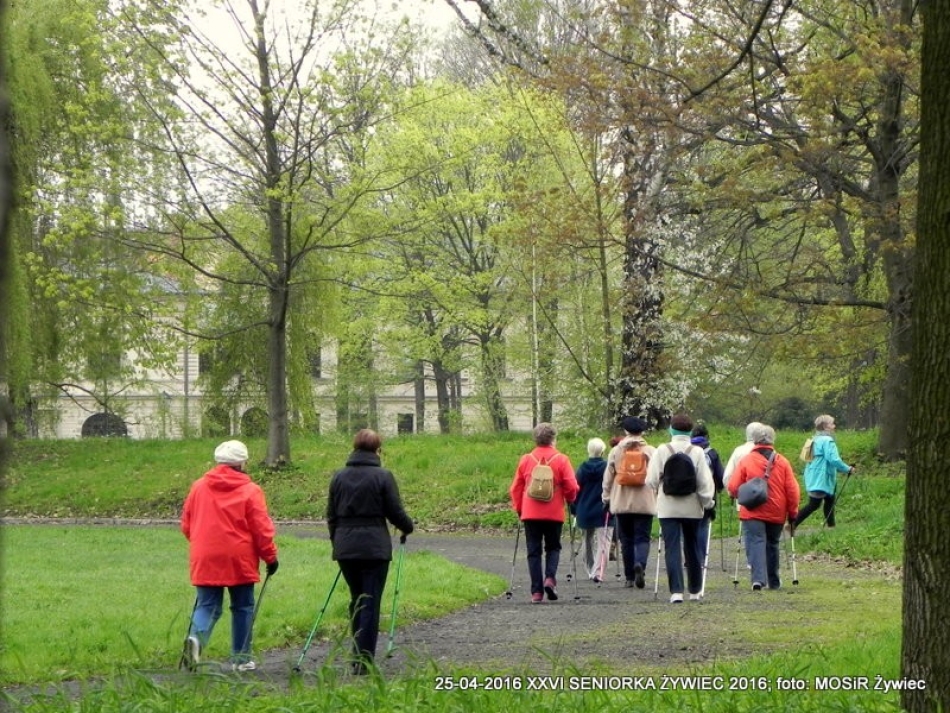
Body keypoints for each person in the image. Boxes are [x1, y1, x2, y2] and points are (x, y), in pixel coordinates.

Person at [181, 440, 279, 672]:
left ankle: (196, 639)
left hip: (204, 555)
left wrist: (201, 543)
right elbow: (261, 530)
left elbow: (186, 524)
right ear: (242, 463)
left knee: (207, 605)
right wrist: (271, 557)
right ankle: (241, 658)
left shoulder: (198, 487)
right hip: (239, 556)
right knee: (243, 606)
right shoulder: (250, 490)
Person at [327, 428, 414, 674]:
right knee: (371, 602)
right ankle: (363, 659)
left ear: (354, 448)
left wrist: (337, 542)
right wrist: (407, 527)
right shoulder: (383, 476)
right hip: (375, 548)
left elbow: (331, 515)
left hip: (345, 548)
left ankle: (357, 653)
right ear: (378, 450)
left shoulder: (338, 477)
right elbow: (394, 511)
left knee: (357, 599)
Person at [645, 413, 715, 603]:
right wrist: (708, 503)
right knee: (692, 547)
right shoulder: (697, 451)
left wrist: (660, 489)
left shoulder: (662, 450)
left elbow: (650, 480)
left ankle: (676, 591)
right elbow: (704, 482)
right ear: (690, 431)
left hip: (667, 507)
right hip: (692, 507)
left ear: (671, 429)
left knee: (672, 547)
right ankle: (694, 590)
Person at [510, 423, 579, 603]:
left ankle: (536, 592)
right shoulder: (561, 459)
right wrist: (570, 500)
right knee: (553, 547)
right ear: (553, 439)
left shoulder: (526, 459)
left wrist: (519, 508)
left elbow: (516, 488)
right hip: (553, 512)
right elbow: (572, 486)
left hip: (530, 512)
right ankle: (550, 578)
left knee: (533, 551)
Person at [727, 424, 800, 590]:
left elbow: (733, 486)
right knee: (773, 544)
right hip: (776, 510)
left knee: (756, 542)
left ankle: (758, 580)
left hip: (752, 511)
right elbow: (793, 490)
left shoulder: (746, 460)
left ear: (755, 440)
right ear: (772, 440)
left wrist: (739, 494)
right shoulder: (782, 462)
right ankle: (774, 581)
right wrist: (793, 513)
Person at [602, 416, 657, 589]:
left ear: (625, 431)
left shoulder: (616, 451)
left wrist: (606, 497)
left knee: (626, 539)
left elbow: (608, 477)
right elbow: (656, 475)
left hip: (622, 500)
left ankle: (629, 577)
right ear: (642, 431)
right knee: (642, 537)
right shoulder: (650, 451)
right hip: (644, 501)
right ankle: (640, 563)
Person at [793, 414, 856, 529]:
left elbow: (805, 458)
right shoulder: (828, 441)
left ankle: (831, 527)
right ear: (826, 427)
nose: (834, 426)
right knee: (814, 504)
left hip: (813, 475)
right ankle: (793, 524)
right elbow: (833, 459)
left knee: (829, 500)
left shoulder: (813, 439)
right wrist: (847, 469)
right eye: (832, 424)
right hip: (822, 477)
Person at [691, 422, 725, 592]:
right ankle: (701, 558)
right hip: (707, 495)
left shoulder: (686, 450)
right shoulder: (711, 453)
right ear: (707, 436)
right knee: (703, 527)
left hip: (686, 495)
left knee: (689, 526)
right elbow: (720, 476)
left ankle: (689, 557)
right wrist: (719, 487)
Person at [571, 437, 609, 581]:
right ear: (603, 451)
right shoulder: (607, 468)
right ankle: (597, 572)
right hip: (603, 509)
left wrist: (574, 509)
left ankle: (589, 567)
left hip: (584, 509)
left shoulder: (581, 469)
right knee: (603, 542)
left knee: (586, 540)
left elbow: (575, 491)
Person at [722, 421, 765, 489]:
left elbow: (727, 476)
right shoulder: (767, 451)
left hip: (742, 495)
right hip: (764, 495)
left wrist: (732, 492)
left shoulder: (738, 451)